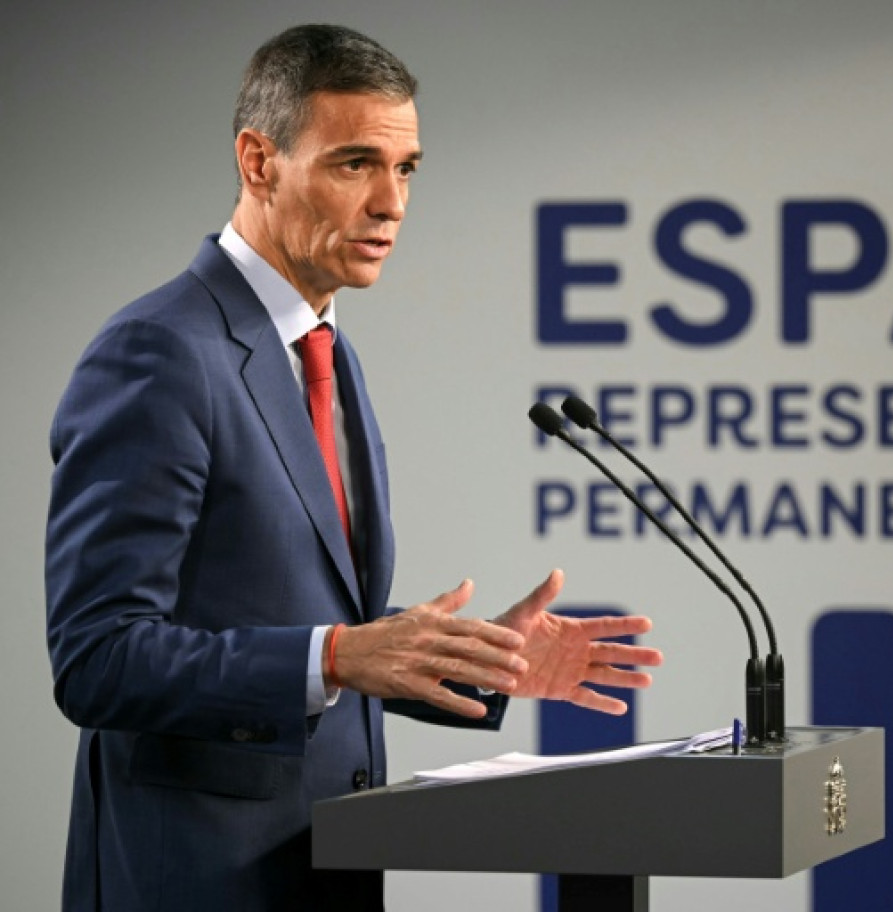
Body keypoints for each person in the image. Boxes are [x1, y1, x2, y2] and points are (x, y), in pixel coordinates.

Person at [44, 24, 663, 912]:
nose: (391, 202)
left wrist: (467, 658)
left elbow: (307, 621)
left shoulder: (321, 348)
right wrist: (337, 655)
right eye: (354, 164)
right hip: (193, 877)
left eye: (406, 168)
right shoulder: (159, 354)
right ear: (259, 162)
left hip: (323, 861)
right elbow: (97, 657)